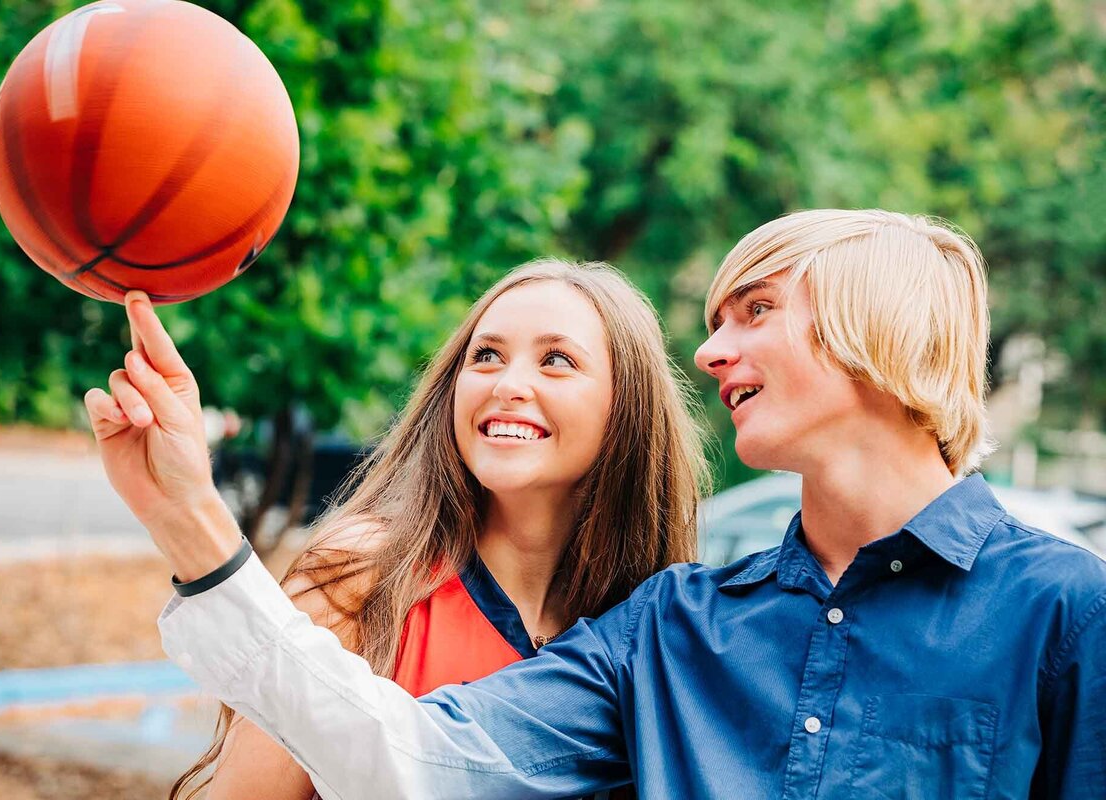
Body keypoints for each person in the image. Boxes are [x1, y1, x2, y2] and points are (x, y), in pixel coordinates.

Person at [96, 210, 1106, 798]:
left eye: (757, 312)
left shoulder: (1067, 613)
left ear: (878, 333)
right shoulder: (668, 627)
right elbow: (412, 762)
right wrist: (192, 520)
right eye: (715, 323)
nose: (710, 354)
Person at [84, 259, 707, 799]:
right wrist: (184, 509)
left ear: (627, 410)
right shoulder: (360, 579)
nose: (509, 385)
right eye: (486, 355)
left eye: (557, 361)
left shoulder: (648, 630)